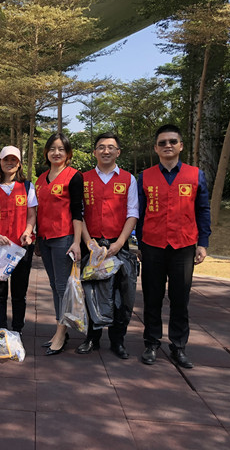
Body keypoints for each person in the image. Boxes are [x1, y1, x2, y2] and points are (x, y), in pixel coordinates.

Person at [137, 124, 211, 369]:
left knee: (180, 298)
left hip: (184, 245)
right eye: (162, 143)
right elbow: (139, 213)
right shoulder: (145, 177)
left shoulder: (195, 175)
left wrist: (203, 243)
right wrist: (139, 243)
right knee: (152, 297)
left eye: (172, 141)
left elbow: (203, 210)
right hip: (152, 245)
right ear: (155, 148)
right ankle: (151, 343)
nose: (167, 146)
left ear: (181, 146)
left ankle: (178, 346)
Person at [78, 132, 138, 359]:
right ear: (94, 152)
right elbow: (79, 213)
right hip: (91, 244)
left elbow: (133, 213)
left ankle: (117, 340)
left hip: (118, 244)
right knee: (91, 292)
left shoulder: (129, 179)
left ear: (118, 152)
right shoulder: (83, 179)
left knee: (121, 296)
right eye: (101, 147)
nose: (106, 151)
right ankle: (91, 338)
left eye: (111, 147)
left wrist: (120, 242)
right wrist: (88, 242)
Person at [0, 146, 36, 335]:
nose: (10, 163)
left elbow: (31, 214)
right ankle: (1, 328)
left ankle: (17, 329)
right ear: (0, 162)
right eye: (6, 159)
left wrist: (27, 232)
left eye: (14, 160)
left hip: (21, 247)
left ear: (19, 164)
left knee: (19, 293)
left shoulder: (27, 186)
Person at [35, 133, 83, 356]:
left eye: (61, 149)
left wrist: (76, 242)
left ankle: (61, 333)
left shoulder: (74, 176)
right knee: (54, 285)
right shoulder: (40, 179)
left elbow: (77, 211)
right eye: (52, 148)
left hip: (64, 237)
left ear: (68, 153)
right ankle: (59, 328)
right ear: (46, 152)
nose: (56, 153)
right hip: (45, 238)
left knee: (63, 287)